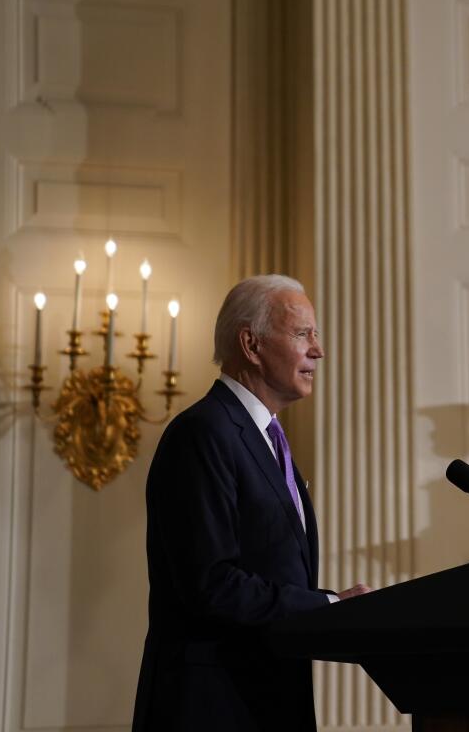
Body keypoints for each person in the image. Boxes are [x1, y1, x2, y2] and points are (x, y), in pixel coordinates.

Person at [132, 274, 370, 731]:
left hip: (269, 699)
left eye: (315, 335)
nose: (318, 351)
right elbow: (212, 583)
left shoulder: (267, 441)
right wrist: (329, 605)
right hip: (211, 706)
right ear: (251, 344)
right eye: (303, 334)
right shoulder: (203, 433)